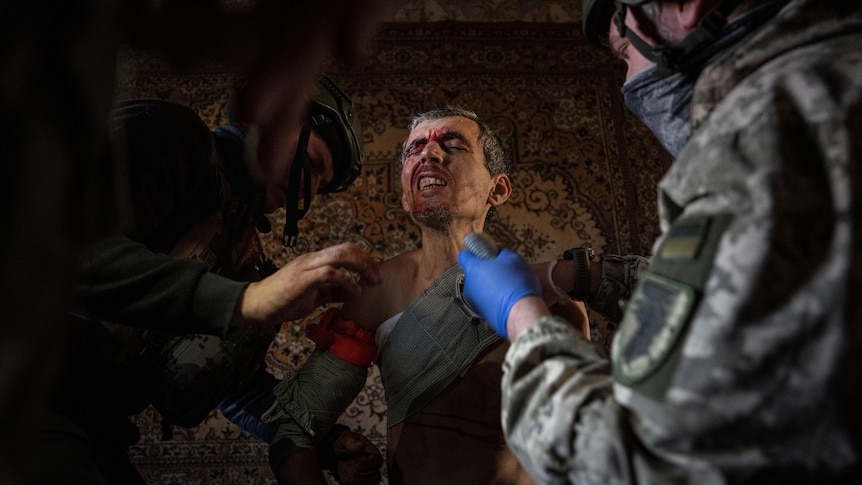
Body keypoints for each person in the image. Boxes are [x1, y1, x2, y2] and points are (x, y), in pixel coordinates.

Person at [457, 0, 862, 483]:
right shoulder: (831, 80)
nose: (629, 82)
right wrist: (590, 275)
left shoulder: (765, 138)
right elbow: (756, 284)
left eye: (625, 51)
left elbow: (630, 459)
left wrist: (520, 313)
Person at [1, 2, 386, 483]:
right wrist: (246, 299)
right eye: (308, 163)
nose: (306, 191)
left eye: (321, 185)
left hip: (97, 426)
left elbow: (235, 387)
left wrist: (324, 440)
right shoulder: (175, 141)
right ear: (267, 112)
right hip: (29, 396)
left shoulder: (242, 250)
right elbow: (69, 251)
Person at [258, 106, 590, 485]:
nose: (428, 154)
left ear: (498, 189)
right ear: (404, 195)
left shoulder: (553, 298)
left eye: (453, 145)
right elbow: (294, 429)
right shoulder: (377, 295)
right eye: (414, 149)